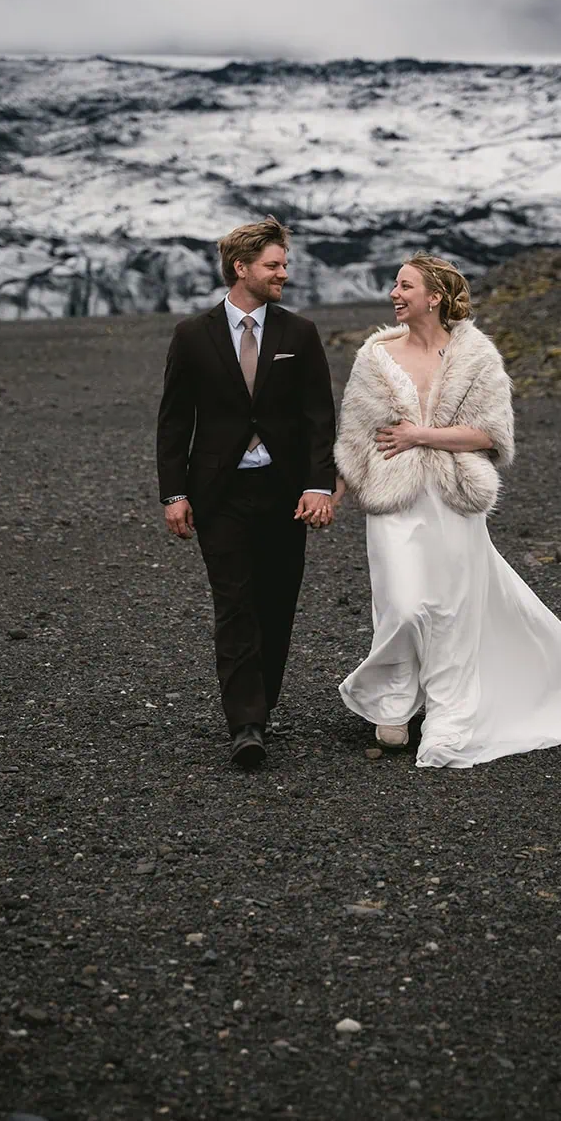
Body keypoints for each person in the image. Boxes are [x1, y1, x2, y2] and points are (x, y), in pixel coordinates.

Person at [334, 254, 561, 767]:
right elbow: (354, 436)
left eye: (405, 285)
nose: (394, 293)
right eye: (394, 285)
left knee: (451, 609)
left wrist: (420, 435)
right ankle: (391, 700)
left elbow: (491, 435)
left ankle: (448, 715)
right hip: (391, 495)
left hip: (454, 498)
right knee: (403, 605)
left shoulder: (476, 356)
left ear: (433, 297)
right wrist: (331, 491)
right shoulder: (374, 355)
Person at [157, 217, 338, 769]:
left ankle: (261, 703)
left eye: (284, 264)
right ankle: (246, 724)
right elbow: (173, 421)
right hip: (220, 494)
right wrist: (174, 495)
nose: (284, 273)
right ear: (241, 268)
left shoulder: (299, 333)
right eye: (273, 265)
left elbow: (318, 418)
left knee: (277, 605)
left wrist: (319, 486)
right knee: (234, 604)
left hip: (286, 493)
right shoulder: (192, 335)